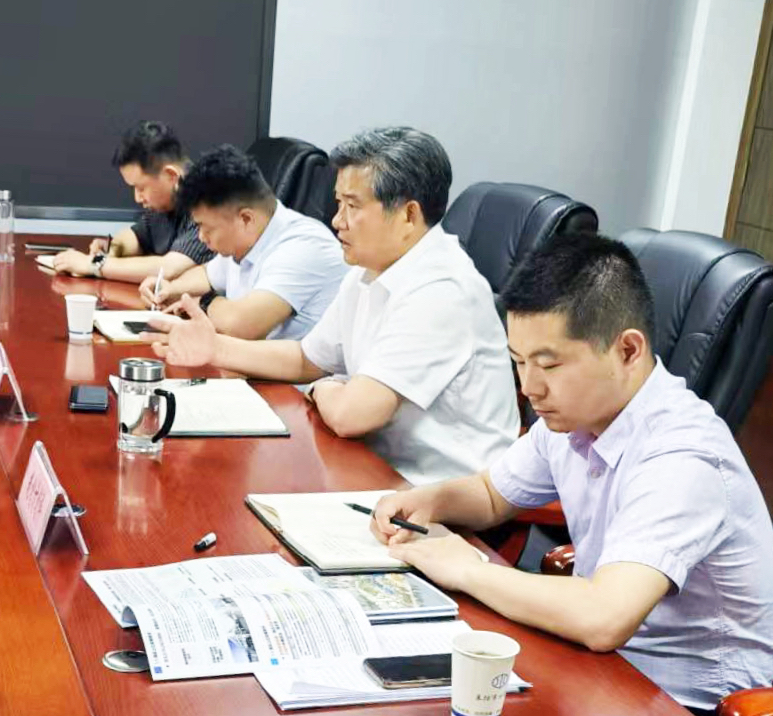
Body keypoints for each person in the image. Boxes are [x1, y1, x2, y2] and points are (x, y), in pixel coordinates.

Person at [369, 232, 773, 716]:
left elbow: (604, 617)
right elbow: (492, 494)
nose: (529, 388)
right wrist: (430, 501)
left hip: (688, 711)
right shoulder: (571, 418)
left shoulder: (683, 456)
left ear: (628, 350)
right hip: (598, 669)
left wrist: (468, 570)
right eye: (518, 362)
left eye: (549, 364)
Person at [148, 126, 517, 484]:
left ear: (408, 215)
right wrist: (215, 348)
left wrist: (323, 387)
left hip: (436, 495)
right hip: (374, 469)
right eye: (338, 203)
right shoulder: (367, 270)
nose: (337, 220)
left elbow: (350, 415)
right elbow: (307, 360)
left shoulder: (441, 290)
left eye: (352, 206)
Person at [138, 144, 345, 340]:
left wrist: (202, 302)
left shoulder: (304, 246)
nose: (201, 236)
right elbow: (207, 275)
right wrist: (169, 290)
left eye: (206, 227)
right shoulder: (247, 239)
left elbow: (242, 325)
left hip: (294, 367)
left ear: (245, 219)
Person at [49, 121, 212, 283]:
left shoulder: (209, 200)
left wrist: (94, 264)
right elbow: (137, 237)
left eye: (141, 188)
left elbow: (168, 269)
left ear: (171, 176)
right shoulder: (164, 202)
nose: (137, 198)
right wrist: (112, 248)